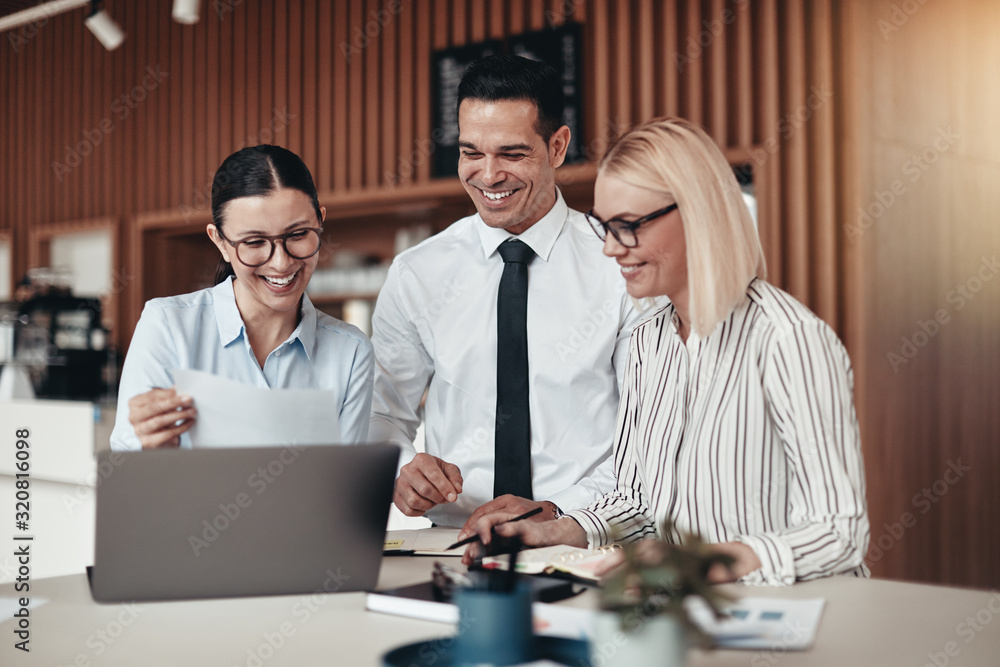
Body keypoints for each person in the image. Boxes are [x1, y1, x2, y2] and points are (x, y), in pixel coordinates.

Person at [468, 117, 870, 586]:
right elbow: (638, 504)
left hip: (787, 624)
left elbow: (840, 532)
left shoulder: (788, 340)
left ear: (698, 213)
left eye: (628, 226)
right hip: (679, 619)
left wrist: (701, 562)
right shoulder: (646, 343)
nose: (611, 249)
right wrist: (550, 531)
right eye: (605, 226)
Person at [369, 55, 643, 530]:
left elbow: (648, 438)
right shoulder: (418, 273)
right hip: (456, 542)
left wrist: (559, 512)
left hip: (584, 533)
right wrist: (400, 469)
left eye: (512, 154)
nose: (489, 175)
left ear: (557, 147)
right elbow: (381, 411)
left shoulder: (620, 266)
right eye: (471, 152)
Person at [110, 145, 374, 450]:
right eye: (254, 242)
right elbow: (127, 475)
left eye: (298, 235)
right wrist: (149, 448)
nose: (281, 262)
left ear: (320, 221)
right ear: (220, 241)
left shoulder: (350, 353)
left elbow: (345, 487)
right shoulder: (167, 326)